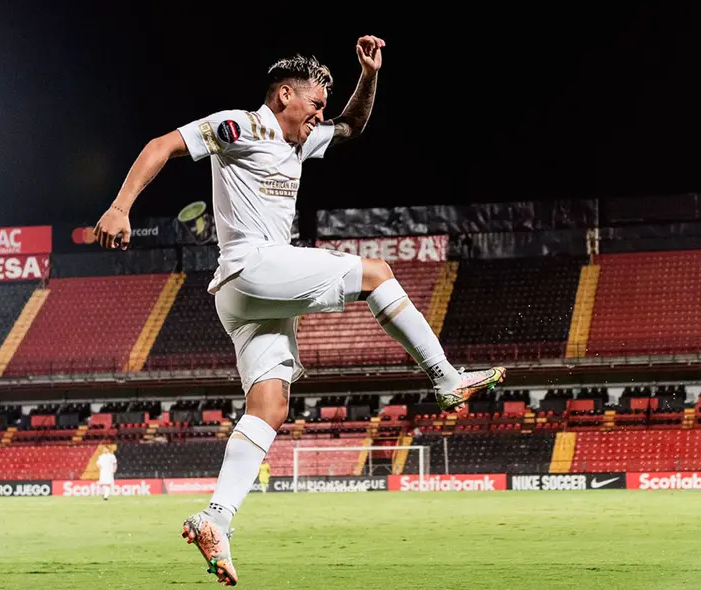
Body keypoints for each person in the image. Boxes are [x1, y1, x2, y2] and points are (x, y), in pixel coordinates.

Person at [93, 36, 505, 585]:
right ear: (285, 94)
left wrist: (369, 75)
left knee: (270, 407)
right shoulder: (240, 125)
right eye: (313, 105)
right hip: (254, 267)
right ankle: (446, 377)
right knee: (377, 272)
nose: (319, 116)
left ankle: (216, 518)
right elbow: (161, 145)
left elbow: (353, 126)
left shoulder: (300, 144)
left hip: (244, 296)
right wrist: (121, 207)